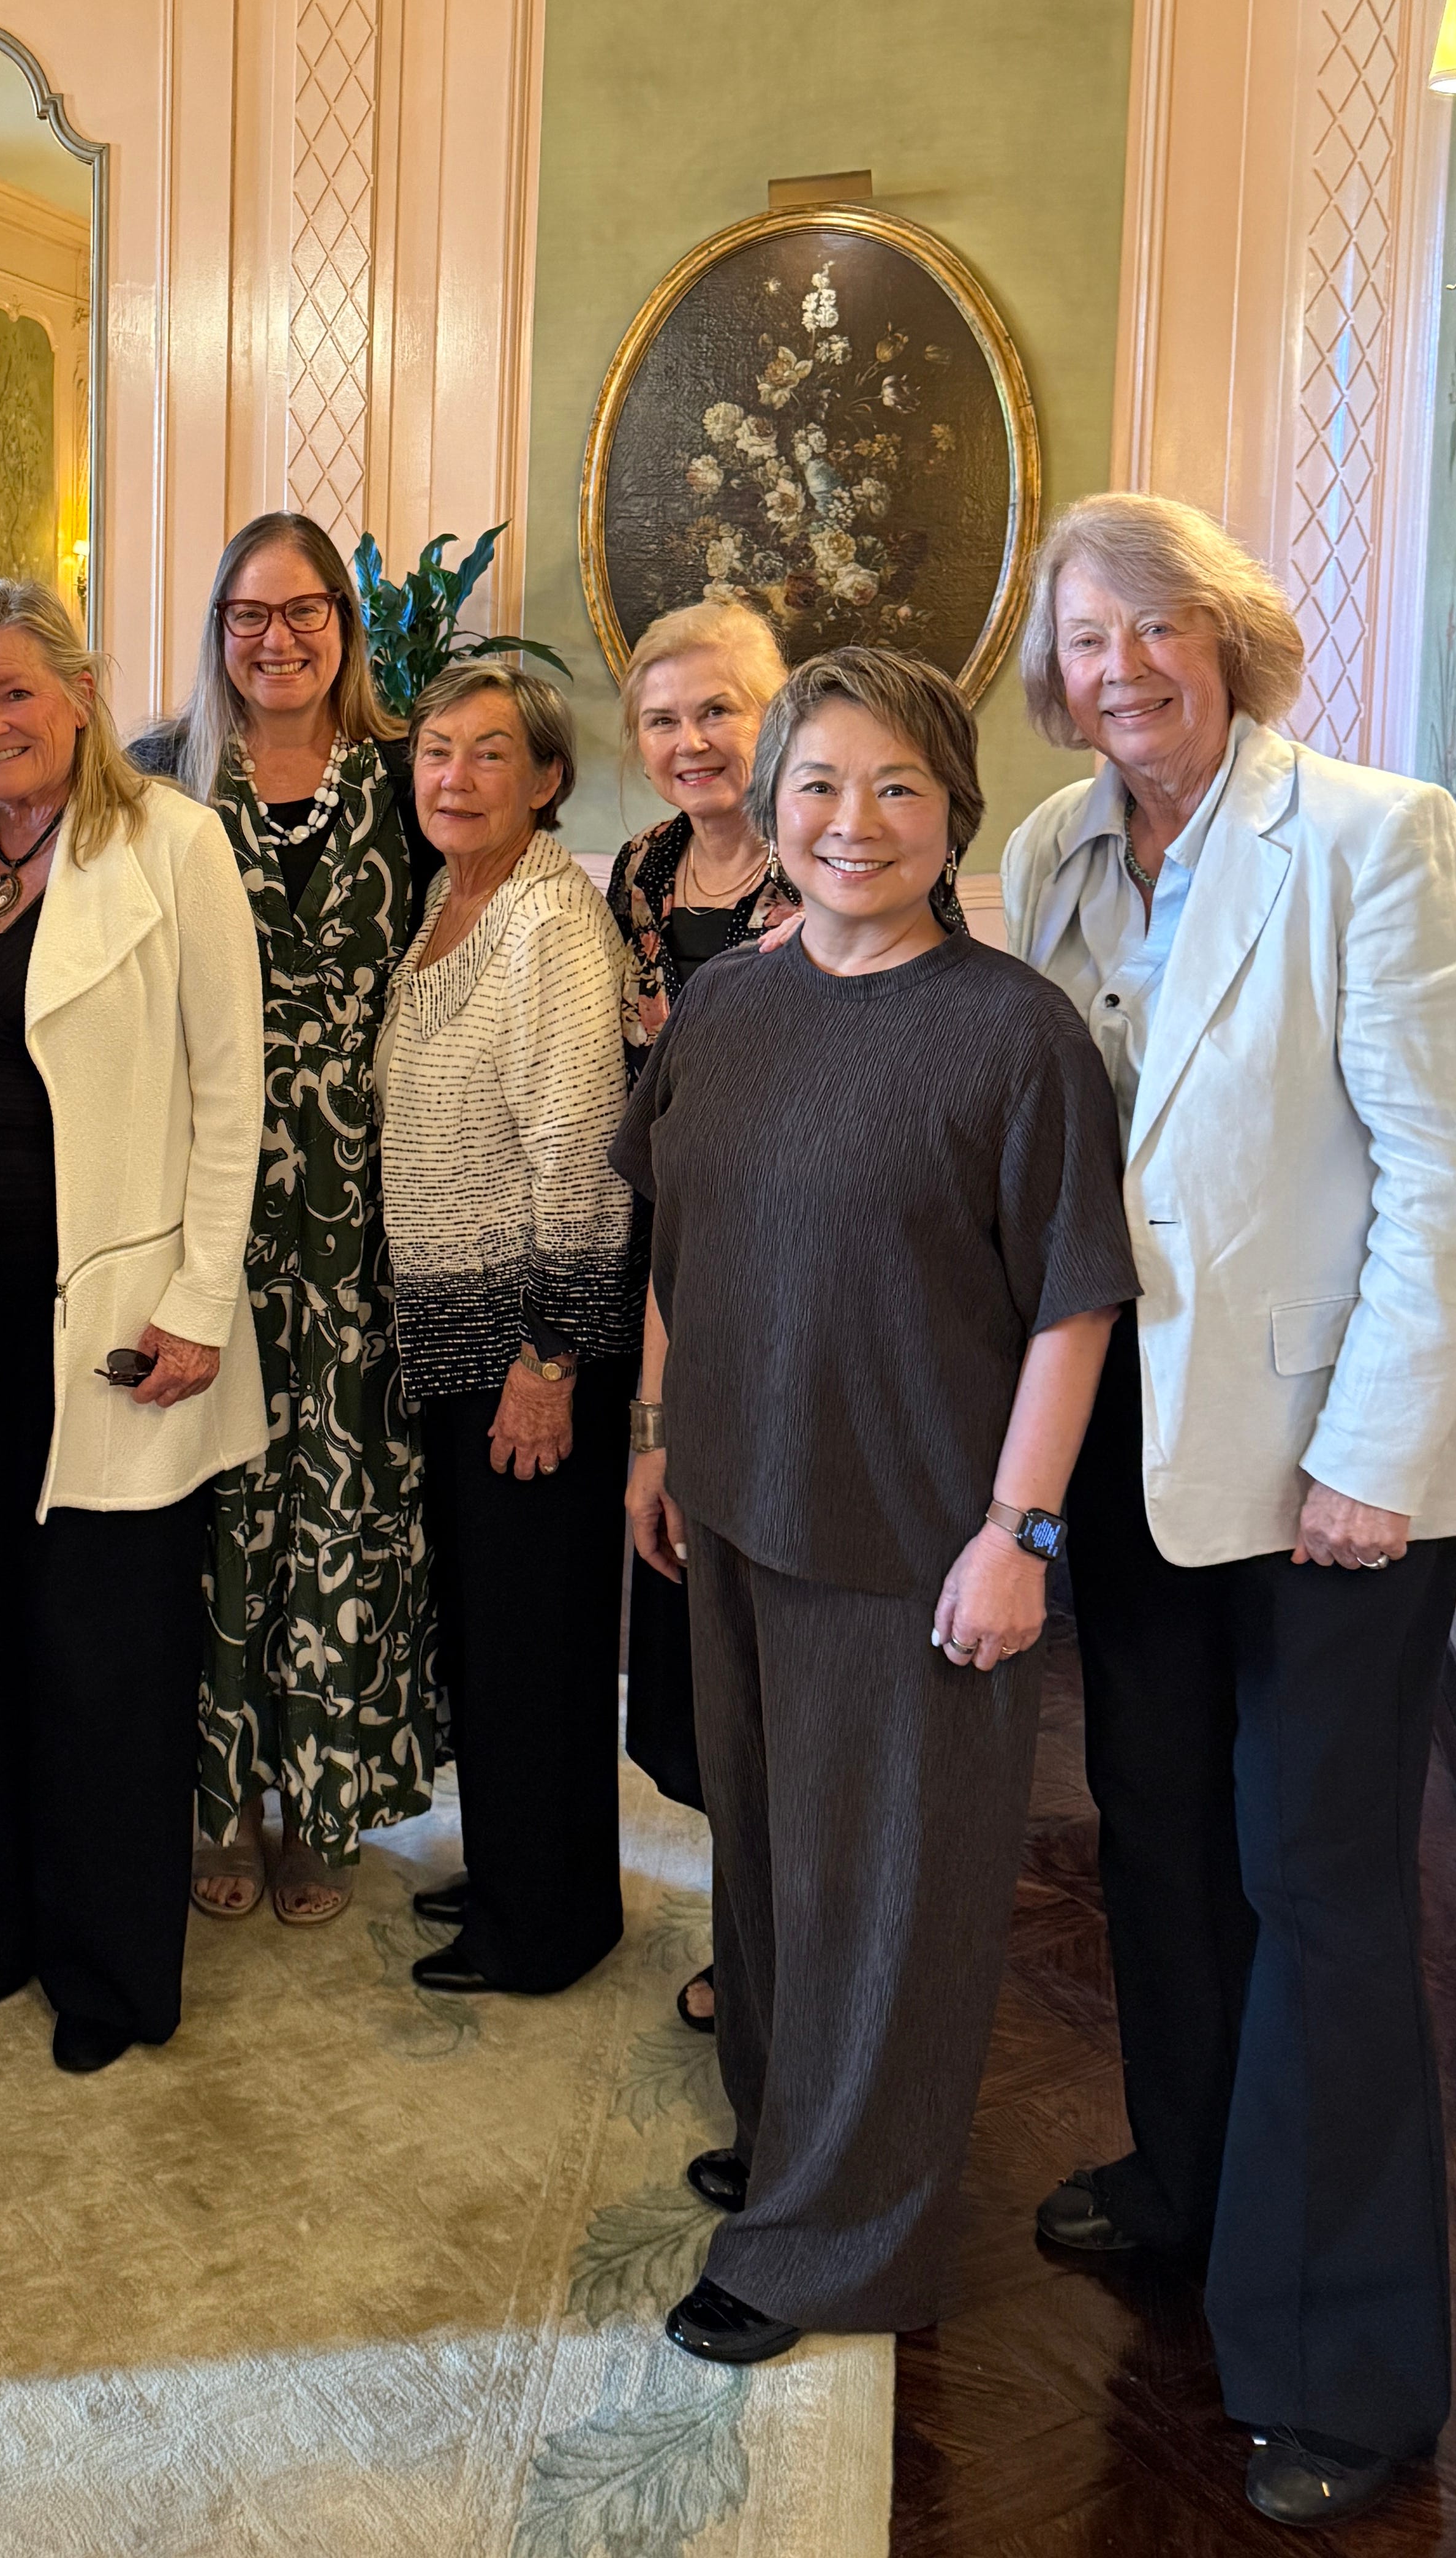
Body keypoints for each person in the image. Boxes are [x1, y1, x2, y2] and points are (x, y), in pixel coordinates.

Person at [1002, 494, 1456, 2533]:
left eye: (1155, 628)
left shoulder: (1376, 839)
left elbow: (1452, 1180)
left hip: (1328, 1462)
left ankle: (1345, 2361)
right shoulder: (1048, 857)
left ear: (1227, 641)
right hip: (1135, 1445)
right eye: (1087, 639)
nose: (1121, 667)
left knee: (1316, 1884)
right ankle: (1193, 2180)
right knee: (1154, 1829)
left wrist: (1373, 1458)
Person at [617, 646, 1134, 2369]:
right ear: (772, 809)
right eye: (821, 785)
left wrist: (1019, 1534)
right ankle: (791, 2150)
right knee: (767, 1863)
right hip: (734, 1502)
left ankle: (837, 2242)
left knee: (890, 1901)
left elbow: (1073, 1304)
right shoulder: (725, 1005)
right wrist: (657, 1439)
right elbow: (678, 1234)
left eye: (897, 786)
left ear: (953, 815)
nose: (854, 820)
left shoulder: (1015, 1035)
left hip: (915, 1540)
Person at [0, 578, 265, 2075]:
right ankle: (7, 1927)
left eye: (14, 692)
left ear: (81, 692)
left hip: (117, 1314)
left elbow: (231, 1090)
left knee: (107, 1656)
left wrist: (199, 1305)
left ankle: (113, 1974)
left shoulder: (173, 842)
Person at [132, 511, 433, 1930]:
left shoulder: (409, 777)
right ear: (217, 630)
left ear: (344, 627)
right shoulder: (156, 779)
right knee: (215, 1498)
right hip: (207, 1194)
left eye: (306, 610)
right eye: (247, 615)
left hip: (367, 1204)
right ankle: (216, 1805)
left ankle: (321, 1800)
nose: (277, 639)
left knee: (344, 1500)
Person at [372, 662, 639, 1997]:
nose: (456, 777)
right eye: (437, 750)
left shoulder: (550, 924)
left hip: (527, 1346)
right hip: (454, 1335)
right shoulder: (446, 899)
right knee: (495, 1632)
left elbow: (583, 1162)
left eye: (491, 754)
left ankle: (546, 1928)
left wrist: (548, 1362)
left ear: (547, 781)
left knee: (537, 1644)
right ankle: (520, 1869)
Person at [602, 599, 795, 2031]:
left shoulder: (834, 847)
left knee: (779, 1622)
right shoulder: (644, 870)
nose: (691, 741)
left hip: (797, 1276)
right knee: (690, 1618)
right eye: (664, 719)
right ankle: (747, 1925)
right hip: (672, 1256)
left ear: (778, 712)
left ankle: (800, 1951)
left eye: (718, 709)